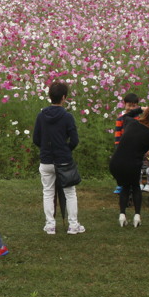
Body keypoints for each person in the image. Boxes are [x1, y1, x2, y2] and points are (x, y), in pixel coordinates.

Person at [32, 81, 84, 235]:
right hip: (64, 160)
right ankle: (73, 225)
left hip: (46, 160)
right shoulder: (67, 117)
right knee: (70, 192)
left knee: (48, 192)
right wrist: (65, 150)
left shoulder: (41, 116)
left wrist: (46, 149)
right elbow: (74, 140)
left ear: (49, 96)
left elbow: (36, 138)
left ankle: (50, 225)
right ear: (64, 97)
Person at [109, 106, 149, 228]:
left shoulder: (131, 123)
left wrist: (139, 109)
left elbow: (124, 116)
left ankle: (122, 215)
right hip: (132, 164)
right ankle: (137, 216)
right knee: (135, 187)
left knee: (125, 186)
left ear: (146, 114)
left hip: (116, 162)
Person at [112, 92, 143, 194]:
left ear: (137, 106)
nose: (131, 108)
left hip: (134, 147)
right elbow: (117, 132)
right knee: (121, 167)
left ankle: (135, 184)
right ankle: (121, 184)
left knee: (134, 167)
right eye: (129, 105)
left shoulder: (138, 118)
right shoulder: (121, 118)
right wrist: (117, 145)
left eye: (134, 106)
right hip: (123, 146)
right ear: (124, 104)